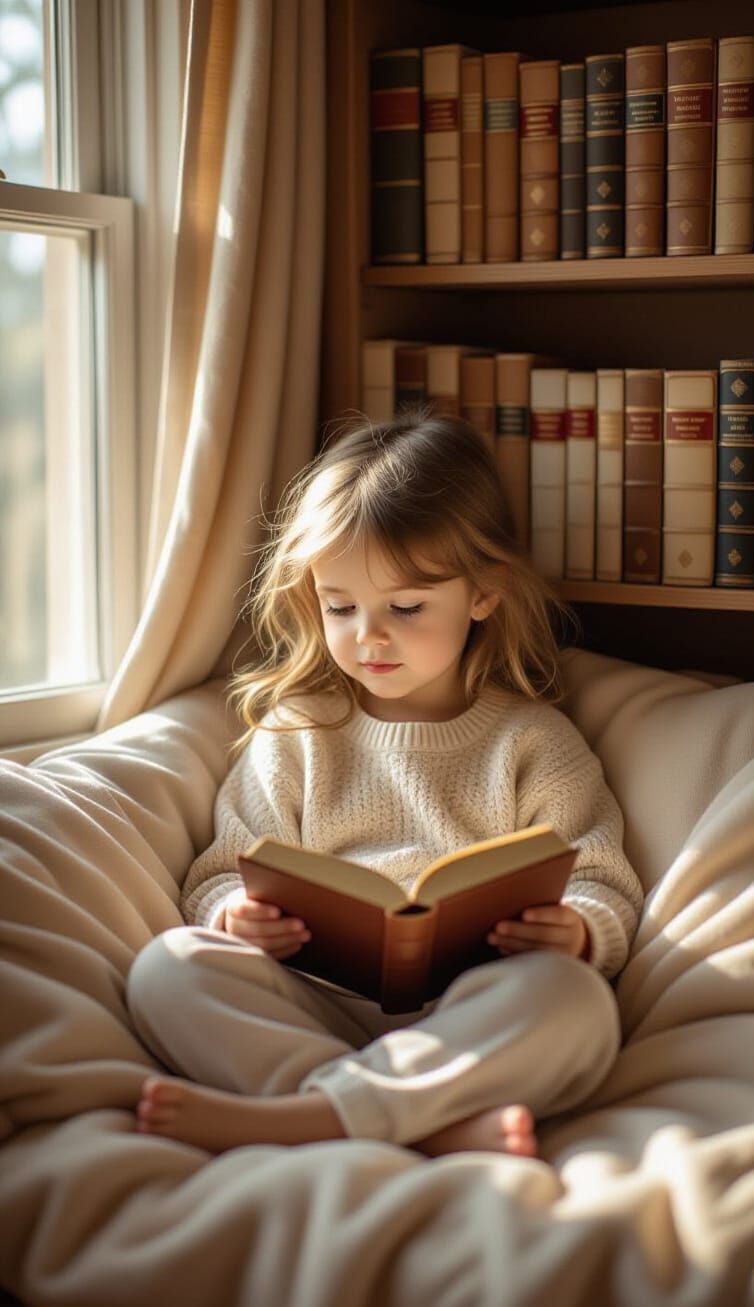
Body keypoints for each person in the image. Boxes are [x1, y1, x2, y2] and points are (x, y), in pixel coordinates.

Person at [126, 411, 643, 1160]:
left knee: (579, 1006)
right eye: (340, 607)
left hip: (472, 1020)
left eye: (405, 607)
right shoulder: (297, 733)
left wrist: (579, 930)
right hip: (315, 1010)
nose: (369, 636)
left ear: (485, 592)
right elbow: (216, 875)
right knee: (166, 968)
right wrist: (234, 916)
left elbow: (605, 884)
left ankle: (302, 1121)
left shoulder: (534, 742)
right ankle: (418, 1123)